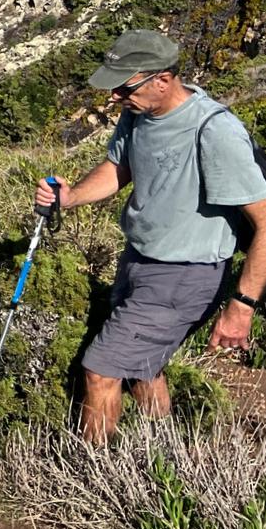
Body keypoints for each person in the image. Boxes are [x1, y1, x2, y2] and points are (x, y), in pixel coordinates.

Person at [35, 29, 266, 441]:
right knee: (143, 366)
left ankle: (94, 475)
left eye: (124, 88)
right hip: (139, 259)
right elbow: (118, 169)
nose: (115, 98)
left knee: (101, 369)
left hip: (185, 275)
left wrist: (242, 307)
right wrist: (70, 198)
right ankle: (160, 453)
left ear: (162, 79)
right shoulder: (138, 113)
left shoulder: (214, 130)